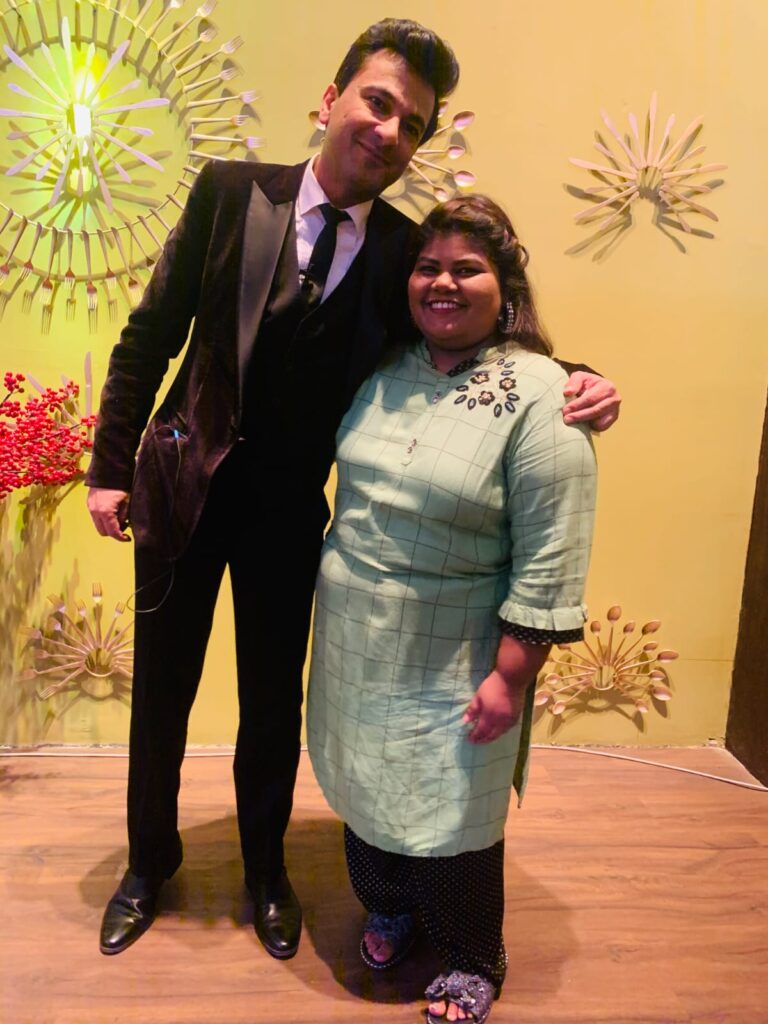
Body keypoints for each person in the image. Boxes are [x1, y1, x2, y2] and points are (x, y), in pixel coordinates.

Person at [85, 19, 618, 960]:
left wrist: (574, 375)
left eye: (413, 124)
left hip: (290, 517)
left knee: (270, 705)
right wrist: (107, 467)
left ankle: (266, 872)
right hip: (180, 493)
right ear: (331, 100)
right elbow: (149, 335)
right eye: (379, 102)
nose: (390, 130)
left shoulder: (404, 250)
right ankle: (147, 866)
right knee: (161, 695)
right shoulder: (227, 192)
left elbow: (472, 328)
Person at [307, 194, 597, 1023]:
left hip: (461, 650)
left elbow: (552, 551)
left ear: (505, 289)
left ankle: (473, 956)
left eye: (466, 269)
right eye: (427, 267)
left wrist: (512, 675)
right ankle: (389, 905)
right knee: (367, 778)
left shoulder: (544, 395)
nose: (442, 283)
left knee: (453, 805)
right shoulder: (383, 367)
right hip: (357, 638)